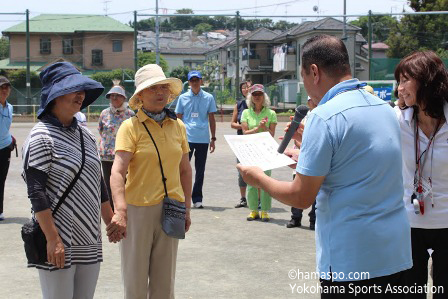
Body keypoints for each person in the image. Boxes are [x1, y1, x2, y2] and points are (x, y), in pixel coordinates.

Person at [238, 35, 412, 297]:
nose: (306, 87)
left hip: (351, 260)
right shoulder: (385, 109)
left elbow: (301, 196)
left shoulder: (324, 116)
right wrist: (305, 157)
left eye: (304, 77)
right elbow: (357, 164)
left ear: (315, 72)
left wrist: (258, 177)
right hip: (394, 253)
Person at [21, 62, 116, 299]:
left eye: (82, 89)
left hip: (89, 238)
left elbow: (98, 182)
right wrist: (53, 240)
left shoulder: (85, 134)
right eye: (73, 89)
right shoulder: (40, 137)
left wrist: (110, 220)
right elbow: (36, 193)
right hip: (58, 239)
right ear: (54, 96)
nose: (80, 94)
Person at [109, 64, 192, 298]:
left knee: (164, 283)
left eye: (164, 87)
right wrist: (121, 210)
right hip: (138, 211)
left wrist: (186, 208)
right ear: (140, 96)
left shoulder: (178, 127)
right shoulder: (130, 127)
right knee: (135, 282)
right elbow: (117, 172)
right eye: (153, 88)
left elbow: (185, 171)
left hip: (172, 208)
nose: (160, 93)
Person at [394, 51, 448, 299]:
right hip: (408, 223)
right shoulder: (396, 120)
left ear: (427, 82)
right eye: (399, 81)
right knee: (408, 293)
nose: (399, 88)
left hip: (447, 223)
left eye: (406, 80)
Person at [175, 70, 217, 209]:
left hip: (203, 138)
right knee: (182, 168)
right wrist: (176, 137)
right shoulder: (183, 98)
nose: (194, 82)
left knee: (200, 170)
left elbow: (211, 118)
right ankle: (181, 197)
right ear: (189, 82)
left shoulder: (209, 97)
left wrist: (213, 138)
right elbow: (178, 117)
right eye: (192, 80)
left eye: (197, 80)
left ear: (201, 81)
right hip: (186, 138)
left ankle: (197, 198)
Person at [240, 84, 277, 222]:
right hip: (250, 150)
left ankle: (265, 210)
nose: (257, 97)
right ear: (251, 97)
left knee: (266, 180)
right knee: (251, 181)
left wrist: (265, 127)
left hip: (266, 149)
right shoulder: (246, 113)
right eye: (254, 95)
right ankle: (253, 210)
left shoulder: (271, 113)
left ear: (264, 97)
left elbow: (271, 134)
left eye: (259, 94)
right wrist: (258, 128)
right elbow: (245, 132)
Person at [98, 83, 134, 209]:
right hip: (107, 155)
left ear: (123, 98)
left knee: (125, 183)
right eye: (112, 96)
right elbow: (101, 130)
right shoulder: (104, 113)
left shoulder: (130, 114)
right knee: (109, 184)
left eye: (118, 96)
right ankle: (113, 211)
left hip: (125, 154)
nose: (114, 98)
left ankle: (126, 208)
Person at [286, 97, 316, 230]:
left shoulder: (323, 117)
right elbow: (296, 139)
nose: (313, 102)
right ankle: (295, 218)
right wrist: (302, 145)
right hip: (300, 159)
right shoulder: (303, 117)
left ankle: (313, 219)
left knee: (315, 193)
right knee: (298, 189)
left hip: (315, 161)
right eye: (310, 100)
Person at [231, 80, 250, 208]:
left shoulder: (258, 104)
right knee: (241, 171)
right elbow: (232, 124)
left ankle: (258, 199)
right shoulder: (239, 105)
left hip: (255, 142)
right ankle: (243, 198)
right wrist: (243, 127)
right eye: (243, 87)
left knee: (256, 170)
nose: (246, 89)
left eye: (248, 87)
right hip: (241, 142)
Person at [0, 76, 15, 221]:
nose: (4, 90)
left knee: (2, 179)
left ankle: (0, 211)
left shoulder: (10, 107)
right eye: (1, 87)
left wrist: (10, 139)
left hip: (4, 147)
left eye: (7, 87)